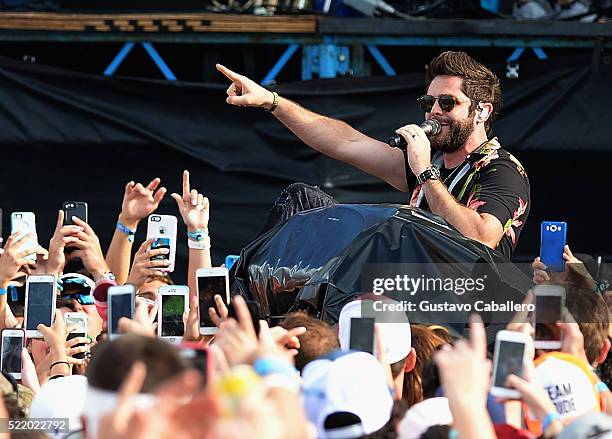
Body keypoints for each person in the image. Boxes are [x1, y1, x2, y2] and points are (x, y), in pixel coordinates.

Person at [217, 51, 530, 257]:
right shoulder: (430, 159)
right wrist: (271, 101)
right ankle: (241, 295)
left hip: (453, 302)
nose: (435, 111)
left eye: (447, 103)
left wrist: (424, 172)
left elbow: (481, 237)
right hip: (393, 279)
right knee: (302, 200)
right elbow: (345, 143)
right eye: (428, 103)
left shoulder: (501, 169)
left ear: (482, 112)